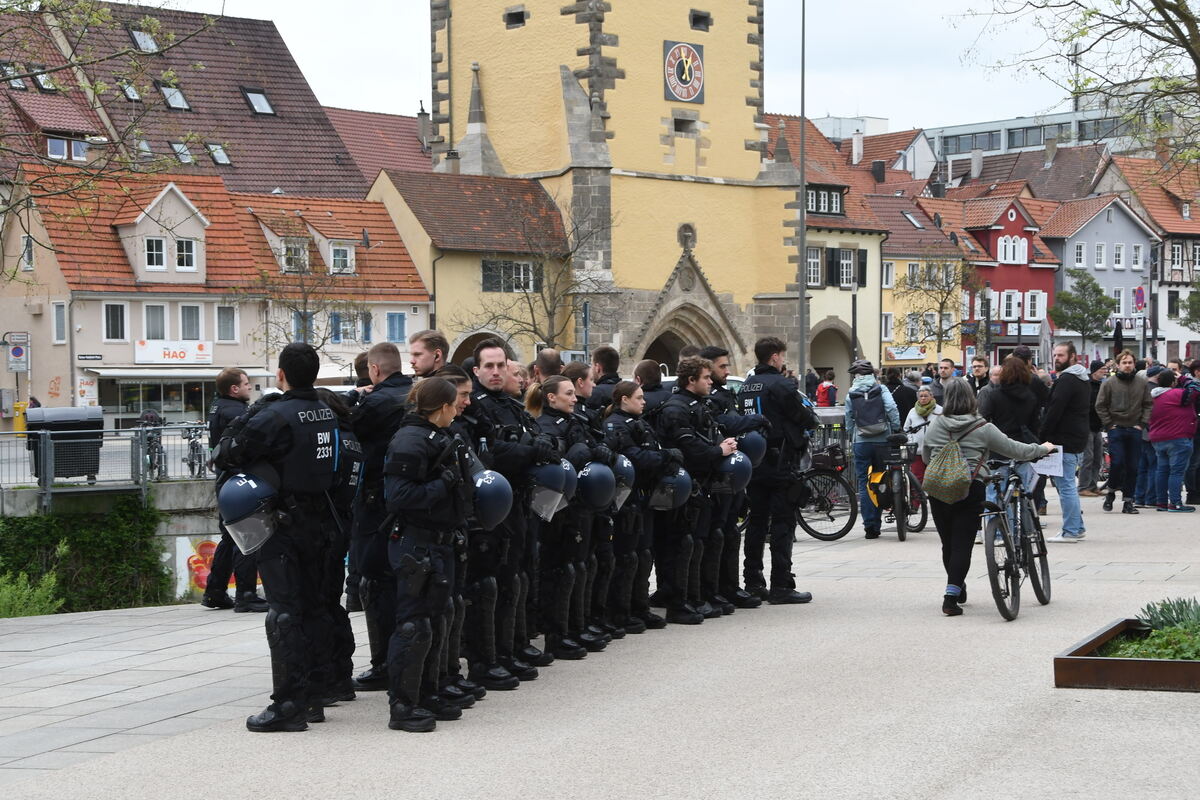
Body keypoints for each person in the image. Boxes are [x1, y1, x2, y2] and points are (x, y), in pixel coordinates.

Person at [212, 343, 341, 732]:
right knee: (317, 607)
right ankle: (316, 695)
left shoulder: (275, 416)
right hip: (323, 519)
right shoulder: (326, 410)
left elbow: (226, 453)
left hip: (284, 523)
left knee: (284, 613)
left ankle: (288, 704)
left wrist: (252, 412)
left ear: (281, 374)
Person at [462, 339, 556, 683]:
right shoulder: (475, 405)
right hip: (490, 507)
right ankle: (486, 659)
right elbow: (494, 453)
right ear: (476, 370)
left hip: (519, 501)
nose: (497, 371)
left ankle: (511, 645)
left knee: (515, 578)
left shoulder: (511, 404)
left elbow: (535, 438)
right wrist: (529, 451)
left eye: (501, 365)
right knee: (489, 584)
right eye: (489, 366)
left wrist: (534, 448)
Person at [381, 377, 471, 731]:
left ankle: (427, 692)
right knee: (412, 624)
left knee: (435, 620)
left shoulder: (439, 436)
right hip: (415, 544)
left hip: (439, 540)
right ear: (443, 406)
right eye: (455, 404)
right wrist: (443, 483)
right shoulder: (409, 440)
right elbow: (399, 497)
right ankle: (403, 705)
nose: (459, 410)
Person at [922, 379, 1056, 616]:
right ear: (972, 398)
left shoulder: (936, 425)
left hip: (938, 490)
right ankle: (950, 598)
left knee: (949, 544)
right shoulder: (982, 427)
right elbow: (1015, 449)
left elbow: (925, 457)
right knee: (963, 543)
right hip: (970, 488)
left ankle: (957, 587)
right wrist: (1042, 448)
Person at [528, 375, 612, 655]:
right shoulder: (544, 426)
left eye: (574, 393)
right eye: (568, 394)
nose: (575, 398)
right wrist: (577, 455)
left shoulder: (578, 421)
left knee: (580, 566)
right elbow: (549, 461)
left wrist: (601, 451)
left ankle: (578, 625)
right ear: (551, 397)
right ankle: (557, 634)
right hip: (558, 507)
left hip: (582, 504)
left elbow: (598, 445)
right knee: (560, 570)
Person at [348, 343, 413, 691]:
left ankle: (383, 664)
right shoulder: (417, 394)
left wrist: (352, 399)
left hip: (376, 502)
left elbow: (350, 435)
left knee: (375, 581)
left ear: (374, 370)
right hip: (413, 501)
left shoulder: (372, 403)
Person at [656, 356, 738, 623]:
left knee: (701, 540)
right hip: (684, 485)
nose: (710, 381)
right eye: (705, 377)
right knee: (682, 543)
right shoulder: (676, 409)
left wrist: (722, 444)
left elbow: (708, 435)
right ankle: (680, 601)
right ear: (691, 380)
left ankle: (698, 595)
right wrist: (718, 451)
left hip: (703, 483)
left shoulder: (698, 404)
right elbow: (690, 449)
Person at [738, 337, 818, 605]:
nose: (783, 361)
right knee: (783, 523)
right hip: (781, 462)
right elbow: (804, 416)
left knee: (757, 523)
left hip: (755, 462)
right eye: (782, 356)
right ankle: (781, 584)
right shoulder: (781, 385)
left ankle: (752, 582)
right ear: (774, 357)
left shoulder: (747, 386)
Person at [701, 344, 769, 610]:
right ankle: (716, 588)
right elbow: (728, 423)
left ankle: (729, 586)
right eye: (722, 367)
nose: (727, 371)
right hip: (717, 474)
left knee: (730, 531)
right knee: (719, 532)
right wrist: (757, 420)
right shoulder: (711, 399)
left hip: (733, 472)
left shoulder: (722, 393)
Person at [603, 381, 671, 632]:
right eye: (639, 397)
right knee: (627, 556)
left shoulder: (639, 422)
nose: (644, 402)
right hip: (627, 499)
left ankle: (640, 606)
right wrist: (665, 458)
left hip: (644, 496)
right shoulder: (616, 425)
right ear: (624, 399)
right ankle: (621, 611)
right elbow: (635, 456)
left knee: (644, 554)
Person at [202, 367, 267, 613]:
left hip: (224, 479)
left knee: (230, 537)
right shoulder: (236, 411)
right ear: (234, 389)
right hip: (237, 479)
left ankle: (215, 591)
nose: (250, 387)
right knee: (246, 534)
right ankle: (246, 594)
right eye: (247, 383)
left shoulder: (218, 406)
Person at [1040, 342, 1091, 542]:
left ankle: (1071, 530)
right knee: (1067, 484)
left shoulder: (1068, 380)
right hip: (1076, 437)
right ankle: (1077, 527)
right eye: (1055, 354)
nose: (1056, 358)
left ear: (1072, 357)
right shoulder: (1082, 378)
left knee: (1066, 486)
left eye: (1061, 355)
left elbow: (1054, 410)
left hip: (1065, 439)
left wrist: (1042, 435)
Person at [845, 359, 900, 539]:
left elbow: (849, 417)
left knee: (864, 482)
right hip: (882, 440)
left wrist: (853, 434)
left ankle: (870, 526)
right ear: (872, 375)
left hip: (861, 442)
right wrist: (896, 427)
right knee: (880, 478)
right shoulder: (881, 389)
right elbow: (891, 408)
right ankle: (879, 519)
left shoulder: (851, 393)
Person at [1095, 350, 1152, 513]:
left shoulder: (1141, 383)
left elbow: (1148, 404)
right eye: (1124, 363)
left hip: (1135, 428)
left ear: (1134, 364)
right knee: (1118, 462)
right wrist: (1109, 424)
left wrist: (1142, 423)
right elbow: (1100, 405)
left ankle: (1128, 501)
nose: (1127, 365)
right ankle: (1111, 492)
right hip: (1116, 428)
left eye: (1130, 362)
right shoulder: (1109, 383)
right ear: (1118, 365)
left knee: (1133, 466)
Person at [1149, 369, 1200, 512]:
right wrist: (1184, 378)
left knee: (1162, 470)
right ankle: (1175, 503)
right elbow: (1196, 389)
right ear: (1173, 382)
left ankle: (1161, 502)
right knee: (1176, 472)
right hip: (1178, 437)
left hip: (1158, 438)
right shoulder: (1176, 394)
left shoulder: (1154, 396)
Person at [1077, 359, 1109, 497]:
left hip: (1097, 426)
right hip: (1086, 425)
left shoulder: (1102, 385)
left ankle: (1093, 485)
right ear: (1095, 370)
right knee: (1087, 457)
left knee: (1097, 457)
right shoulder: (1087, 385)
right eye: (1102, 369)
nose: (1105, 371)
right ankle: (1083, 486)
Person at [902, 385, 941, 482]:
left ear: (932, 397)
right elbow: (906, 429)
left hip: (935, 451)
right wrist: (912, 441)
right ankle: (918, 497)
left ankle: (932, 497)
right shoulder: (912, 411)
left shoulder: (940, 410)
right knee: (917, 478)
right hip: (917, 451)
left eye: (926, 396)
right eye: (921, 396)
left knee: (933, 478)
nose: (923, 398)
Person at [587, 345, 622, 410]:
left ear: (597, 367)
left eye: (591, 364)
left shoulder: (595, 393)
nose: (590, 368)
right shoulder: (627, 389)